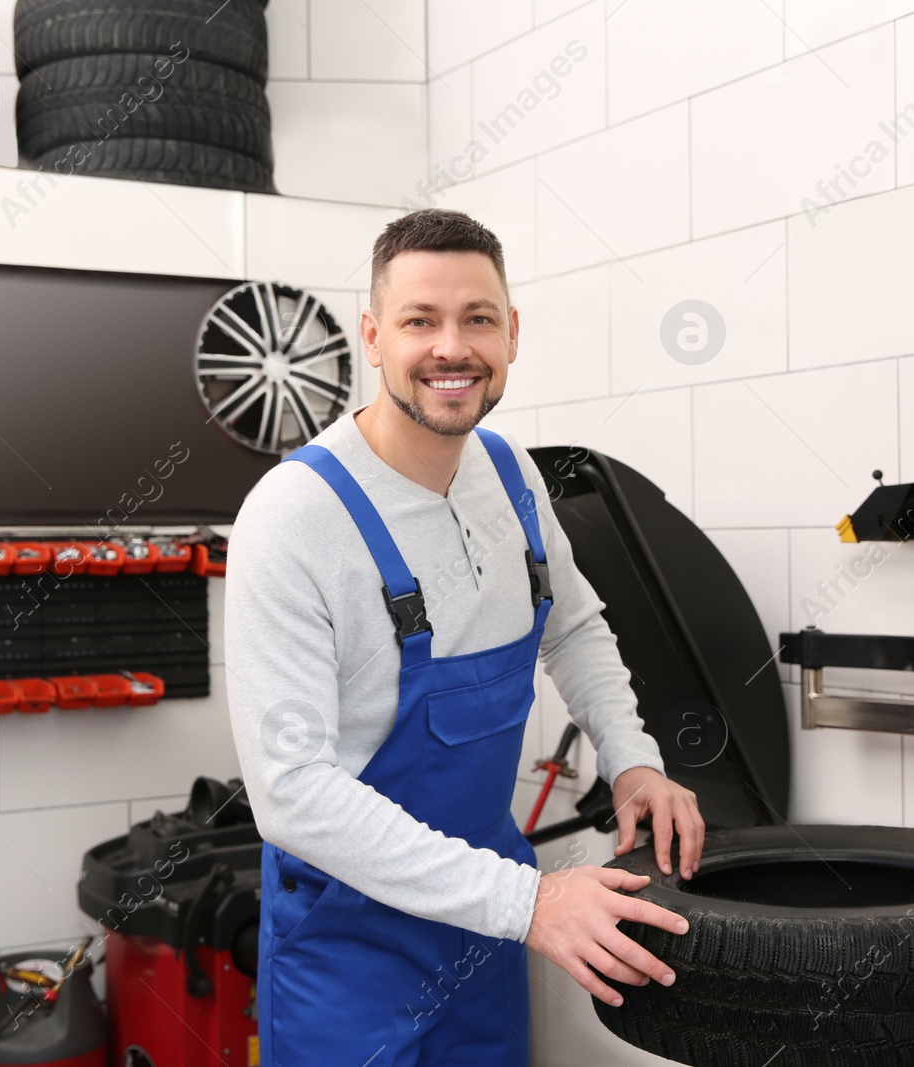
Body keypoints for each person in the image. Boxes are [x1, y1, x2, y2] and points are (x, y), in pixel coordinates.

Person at [225, 208, 705, 1065]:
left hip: (482, 932)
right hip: (351, 952)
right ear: (373, 337)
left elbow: (575, 625)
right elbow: (291, 790)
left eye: (477, 318)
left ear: (512, 333)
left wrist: (632, 758)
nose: (453, 348)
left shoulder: (511, 475)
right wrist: (529, 903)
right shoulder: (292, 516)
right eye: (420, 321)